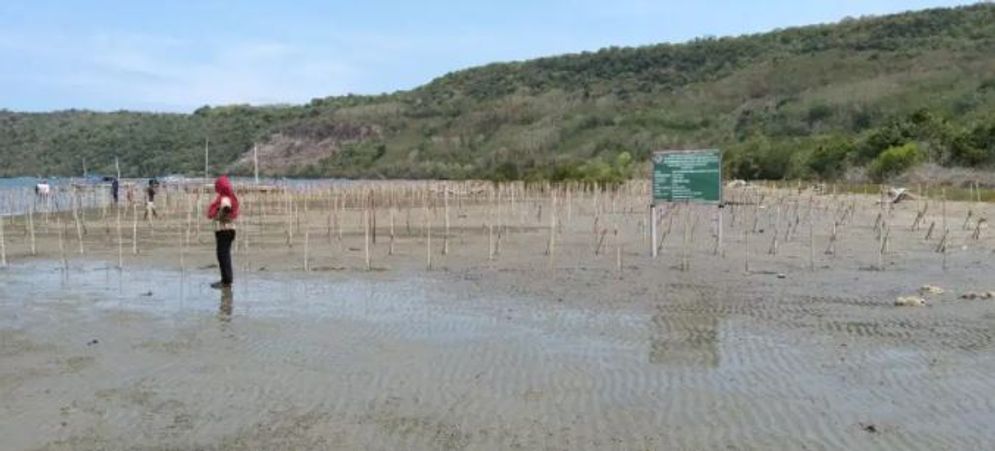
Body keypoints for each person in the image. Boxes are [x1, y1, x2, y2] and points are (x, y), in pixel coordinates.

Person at [207, 175, 239, 289]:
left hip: (224, 230)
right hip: (229, 230)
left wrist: (219, 212)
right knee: (225, 255)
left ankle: (226, 281)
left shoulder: (225, 198)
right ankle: (226, 279)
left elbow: (226, 209)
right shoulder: (230, 197)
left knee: (223, 256)